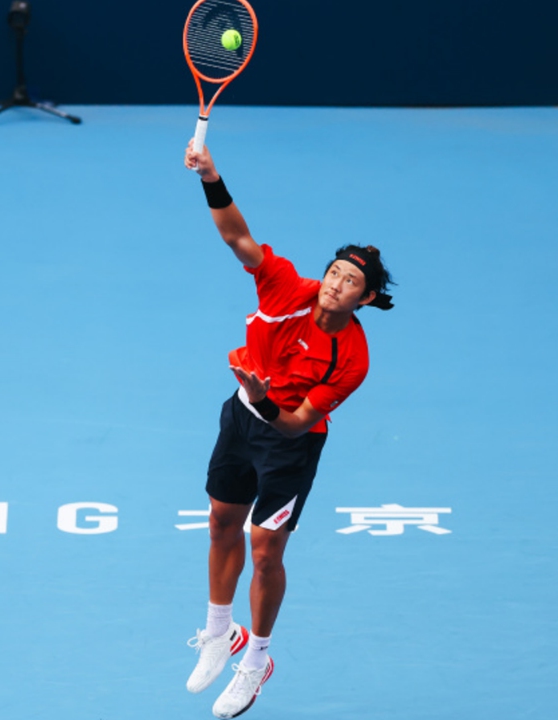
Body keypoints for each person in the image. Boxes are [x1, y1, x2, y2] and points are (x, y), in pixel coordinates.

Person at [181, 141, 394, 719]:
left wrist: (263, 398)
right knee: (220, 522)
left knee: (266, 550)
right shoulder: (282, 287)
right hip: (240, 419)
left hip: (289, 444)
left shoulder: (352, 360)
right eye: (334, 272)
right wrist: (210, 175)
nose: (335, 283)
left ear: (366, 298)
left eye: (350, 281)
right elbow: (236, 236)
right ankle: (220, 631)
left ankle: (257, 660)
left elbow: (299, 424)